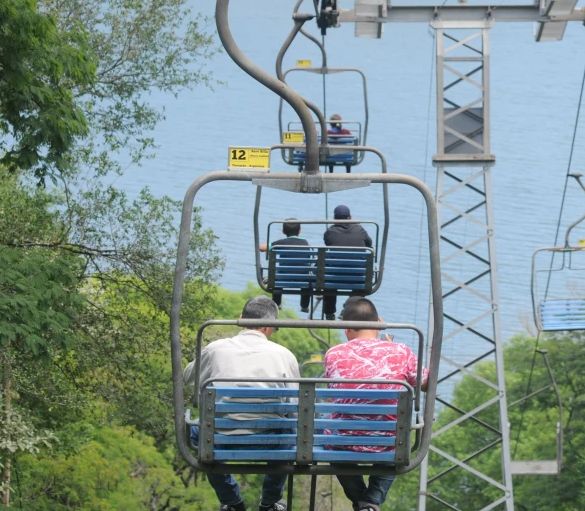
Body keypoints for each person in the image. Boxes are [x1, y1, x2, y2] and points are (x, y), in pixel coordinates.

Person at [183, 296, 300, 511]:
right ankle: (270, 502)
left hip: (220, 439)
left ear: (240, 319)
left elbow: (187, 376)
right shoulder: (284, 355)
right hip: (269, 442)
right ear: (270, 327)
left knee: (198, 432)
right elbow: (293, 406)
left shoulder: (215, 349)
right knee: (290, 432)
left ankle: (231, 501)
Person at [323, 297, 428, 511]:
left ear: (346, 329)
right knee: (395, 438)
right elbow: (425, 383)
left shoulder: (333, 354)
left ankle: (363, 503)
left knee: (331, 431)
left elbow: (334, 396)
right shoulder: (402, 351)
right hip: (388, 441)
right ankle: (371, 502)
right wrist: (393, 351)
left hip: (343, 442)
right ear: (379, 322)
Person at [261, 219, 316, 312]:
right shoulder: (306, 244)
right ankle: (304, 305)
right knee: (307, 277)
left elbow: (261, 247)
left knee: (277, 277)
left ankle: (277, 303)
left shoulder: (280, 243)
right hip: (302, 279)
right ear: (300, 231)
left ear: (283, 231)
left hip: (283, 278)